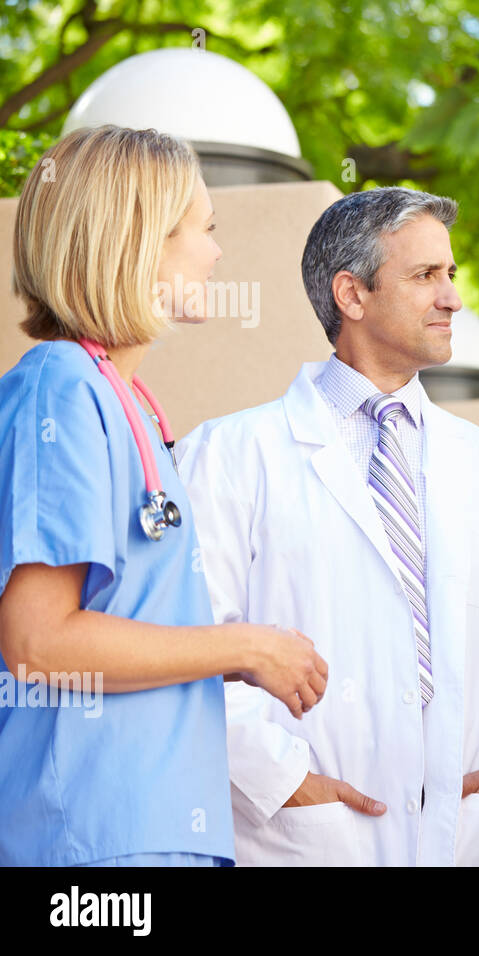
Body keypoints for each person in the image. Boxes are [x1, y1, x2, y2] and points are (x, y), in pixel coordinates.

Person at [176, 186, 479, 866]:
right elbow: (191, 648)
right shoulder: (228, 456)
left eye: (451, 275)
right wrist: (288, 784)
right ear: (352, 295)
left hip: (461, 842)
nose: (452, 298)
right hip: (301, 841)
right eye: (426, 276)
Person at [0, 125, 328, 867]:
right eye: (204, 229)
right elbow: (37, 640)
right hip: (87, 844)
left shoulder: (131, 405)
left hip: (153, 835)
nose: (216, 253)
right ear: (139, 239)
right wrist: (245, 647)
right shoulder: (60, 388)